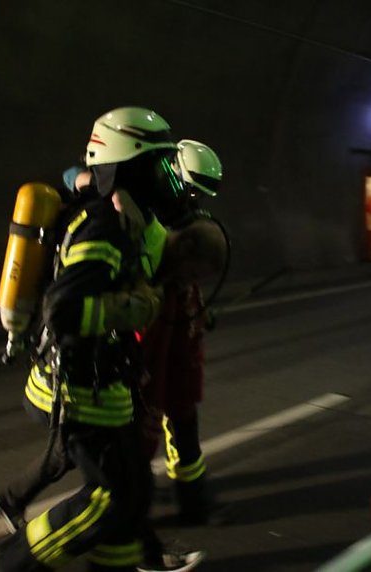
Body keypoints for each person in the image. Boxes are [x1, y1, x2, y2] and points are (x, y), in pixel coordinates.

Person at [0, 107, 217, 572]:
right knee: (111, 499)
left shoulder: (133, 220)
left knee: (133, 496)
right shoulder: (103, 226)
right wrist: (133, 308)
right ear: (129, 166)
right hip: (79, 386)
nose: (169, 178)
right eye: (160, 167)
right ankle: (10, 565)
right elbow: (64, 310)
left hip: (107, 384)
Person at [137, 139, 228, 526]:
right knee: (150, 410)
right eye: (192, 188)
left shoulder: (177, 209)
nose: (194, 198)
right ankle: (135, 505)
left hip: (174, 318)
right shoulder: (142, 206)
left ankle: (192, 499)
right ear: (175, 172)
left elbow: (185, 271)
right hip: (152, 320)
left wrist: (198, 310)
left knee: (182, 404)